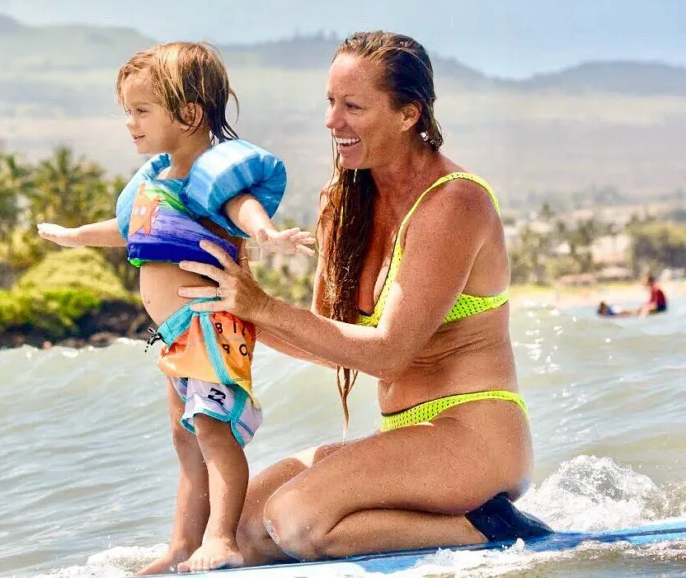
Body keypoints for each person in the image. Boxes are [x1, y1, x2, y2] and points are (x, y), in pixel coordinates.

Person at [177, 31, 553, 566]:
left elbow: (388, 353)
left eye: (353, 106)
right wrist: (225, 306)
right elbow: (328, 341)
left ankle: (488, 528)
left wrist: (263, 307)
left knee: (297, 520)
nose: (333, 122)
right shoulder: (343, 204)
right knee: (241, 529)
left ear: (407, 114)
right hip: (405, 439)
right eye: (330, 103)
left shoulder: (454, 203)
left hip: (474, 436)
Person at [37, 42, 314, 574]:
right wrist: (74, 237)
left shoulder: (210, 175)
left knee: (213, 431)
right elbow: (126, 230)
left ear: (188, 115)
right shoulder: (158, 180)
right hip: (174, 333)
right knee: (186, 437)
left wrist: (268, 235)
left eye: (142, 111)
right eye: (128, 112)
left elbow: (243, 206)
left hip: (210, 323)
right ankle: (182, 546)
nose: (130, 124)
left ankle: (222, 540)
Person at [597, 273, 668, 317]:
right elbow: (651, 301)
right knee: (639, 309)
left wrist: (646, 308)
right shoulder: (653, 288)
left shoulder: (656, 288)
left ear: (650, 281)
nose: (644, 284)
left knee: (643, 309)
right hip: (658, 306)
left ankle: (640, 319)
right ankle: (628, 314)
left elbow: (656, 303)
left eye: (645, 281)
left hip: (661, 307)